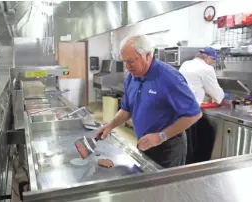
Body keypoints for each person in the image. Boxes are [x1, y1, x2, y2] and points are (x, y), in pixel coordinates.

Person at [96, 35, 202, 168]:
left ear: (147, 55)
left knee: (164, 187)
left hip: (167, 147)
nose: (127, 67)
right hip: (144, 143)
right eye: (124, 62)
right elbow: (126, 110)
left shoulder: (169, 77)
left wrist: (160, 137)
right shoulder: (132, 77)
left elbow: (194, 114)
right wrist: (110, 126)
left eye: (130, 62)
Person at [179, 47, 228, 164]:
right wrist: (226, 100)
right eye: (212, 60)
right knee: (201, 143)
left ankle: (184, 169)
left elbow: (193, 85)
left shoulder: (186, 64)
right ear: (208, 58)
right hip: (191, 112)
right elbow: (218, 95)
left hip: (179, 109)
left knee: (186, 146)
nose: (212, 62)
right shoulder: (207, 68)